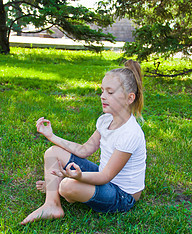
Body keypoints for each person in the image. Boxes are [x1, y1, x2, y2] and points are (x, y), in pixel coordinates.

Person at [21, 59, 146, 225]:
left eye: (110, 92)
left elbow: (106, 176)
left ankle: (60, 190)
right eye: (102, 91)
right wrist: (51, 136)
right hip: (104, 179)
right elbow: (84, 149)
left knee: (66, 185)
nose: (102, 96)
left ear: (129, 98)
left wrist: (78, 177)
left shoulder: (130, 133)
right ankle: (52, 204)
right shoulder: (105, 120)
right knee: (52, 153)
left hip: (122, 195)